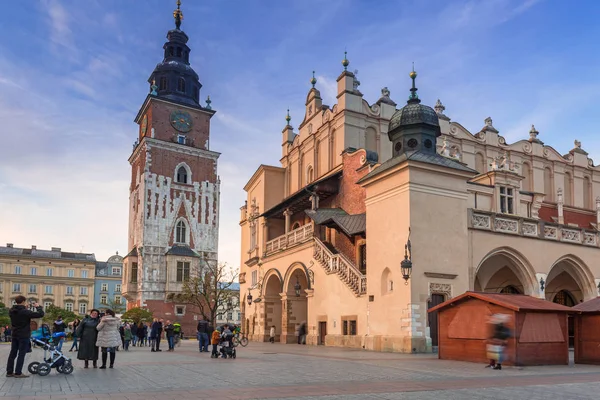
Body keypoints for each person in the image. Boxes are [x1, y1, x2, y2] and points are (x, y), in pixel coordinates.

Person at [5, 296, 44, 378]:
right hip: (23, 335)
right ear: (23, 301)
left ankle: (9, 372)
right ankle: (18, 373)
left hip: (15, 334)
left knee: (13, 353)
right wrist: (38, 307)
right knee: (21, 354)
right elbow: (40, 314)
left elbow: (18, 311)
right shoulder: (25, 312)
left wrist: (23, 308)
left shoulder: (11, 311)